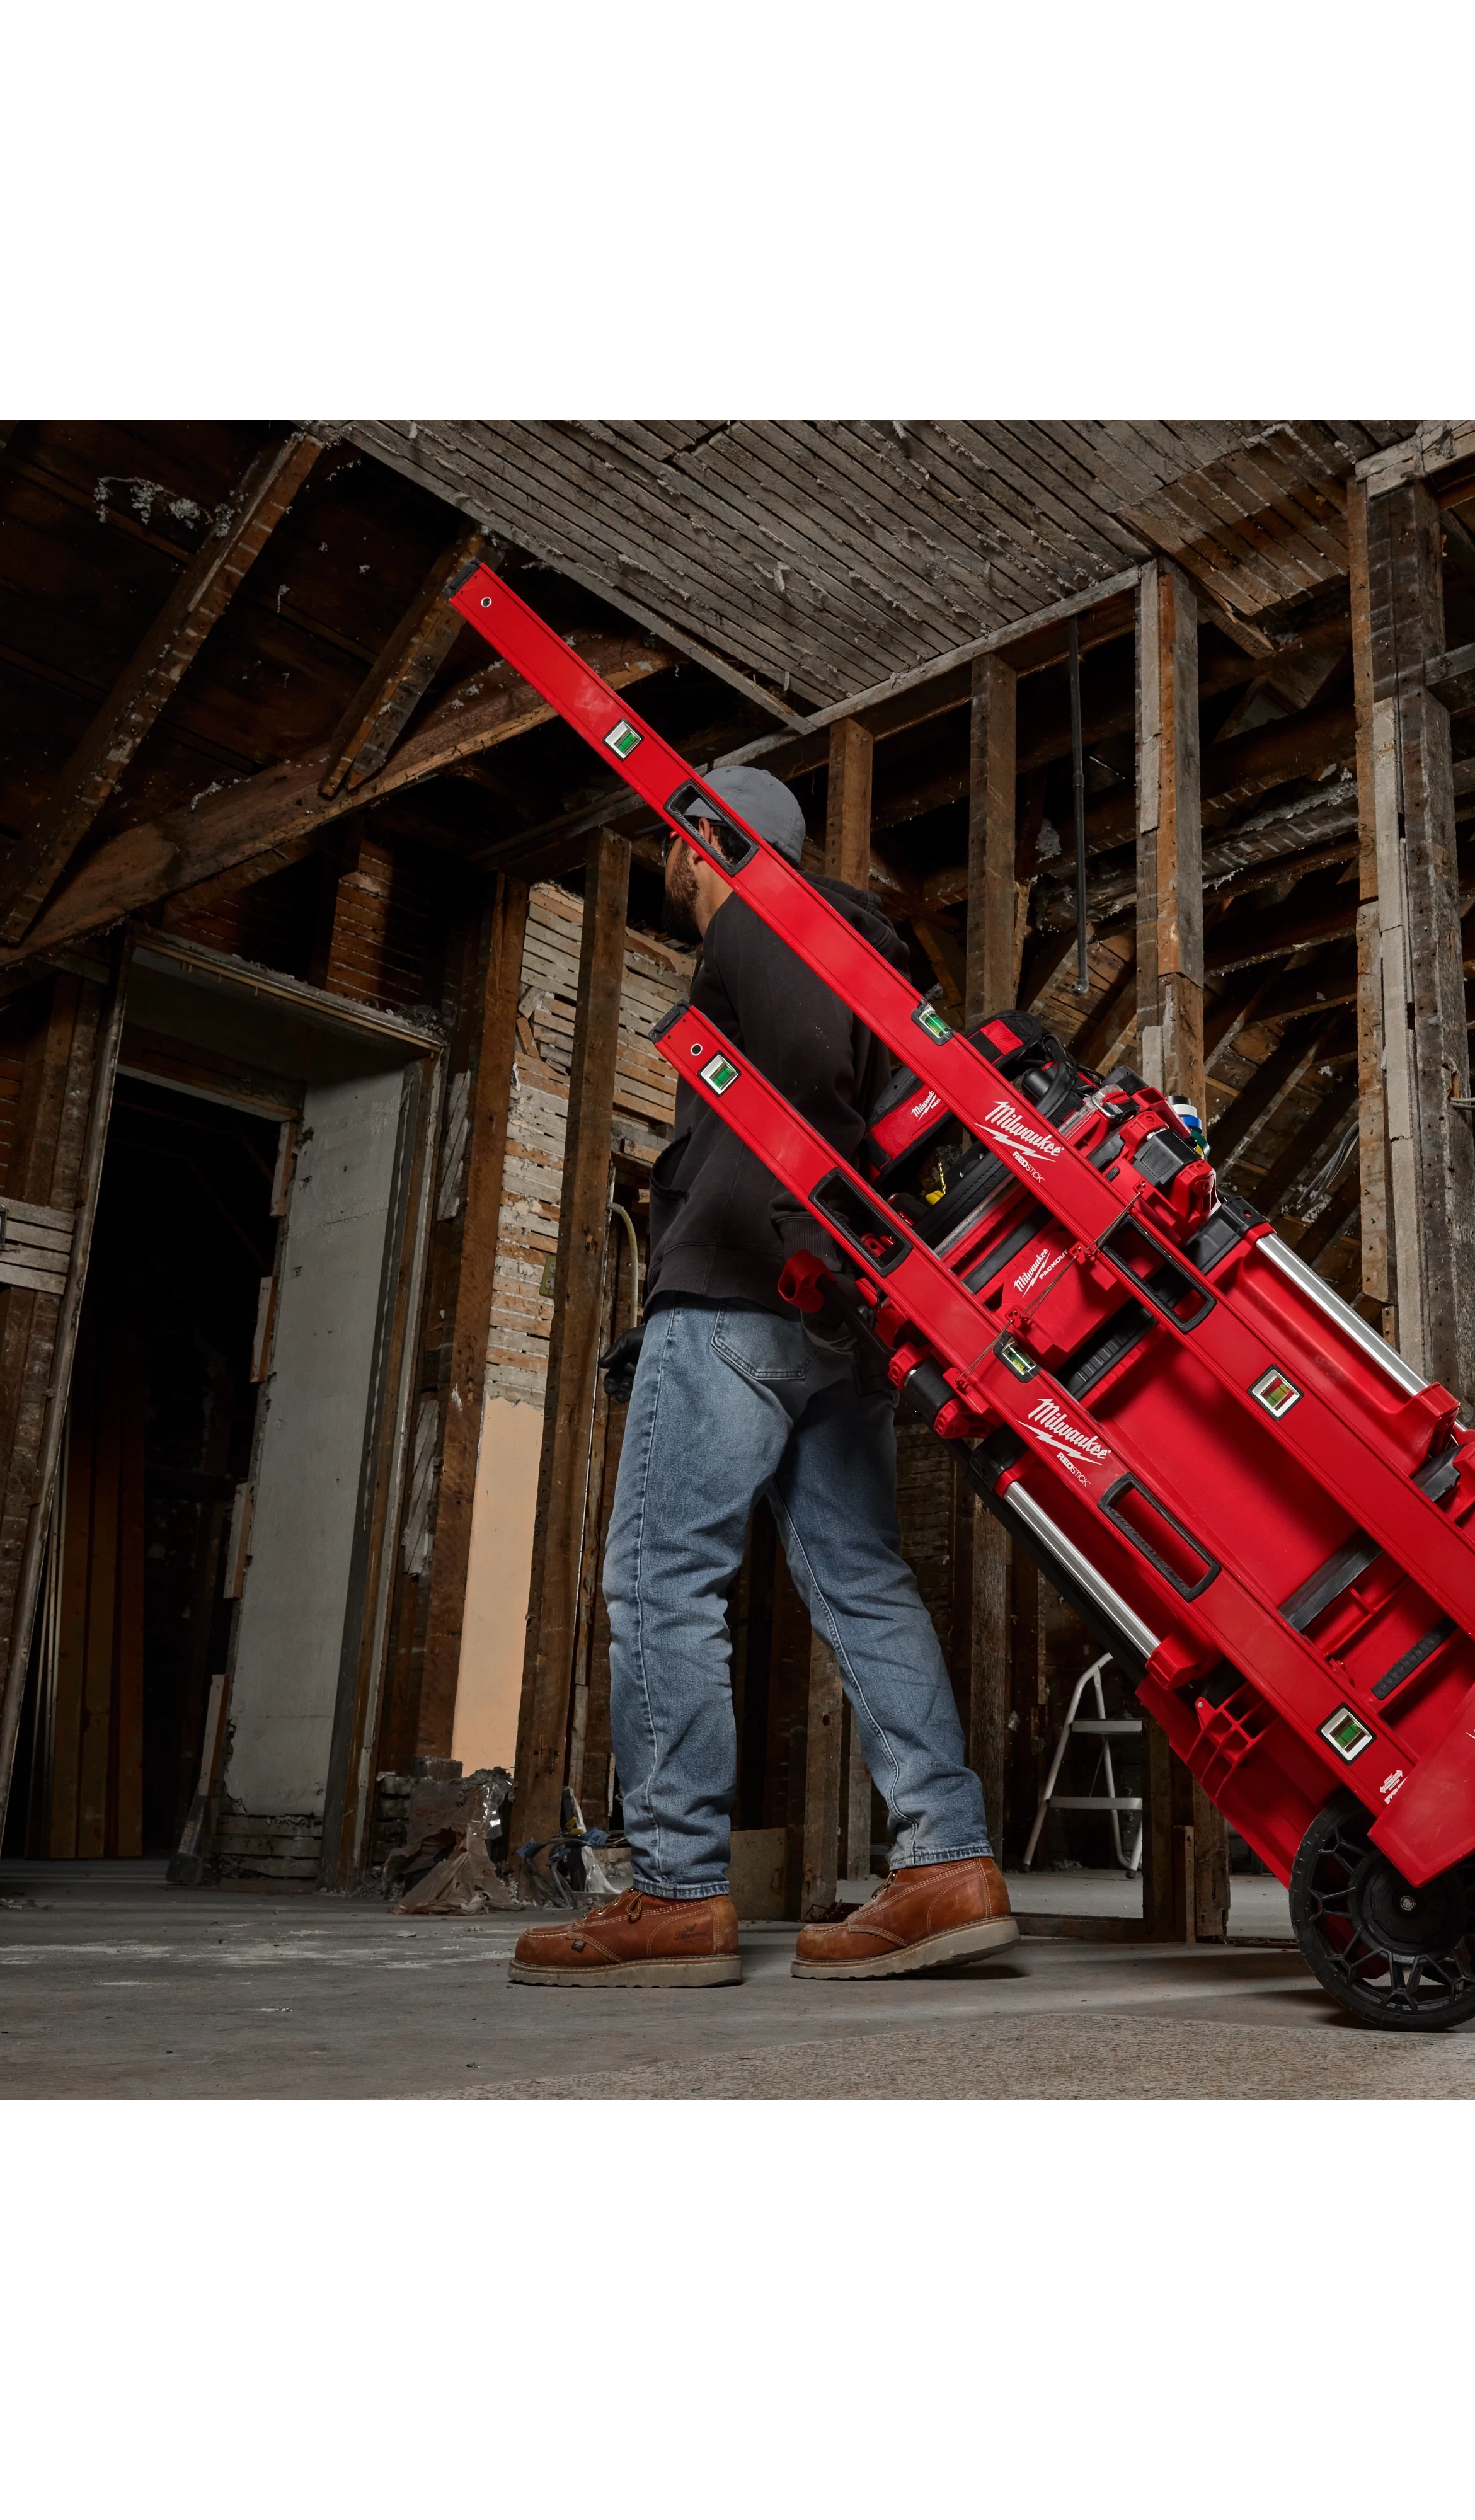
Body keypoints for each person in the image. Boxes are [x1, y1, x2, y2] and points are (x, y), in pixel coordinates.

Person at [510, 766, 1015, 1989]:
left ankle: (677, 1889)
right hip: (831, 1317)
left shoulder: (765, 914)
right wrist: (833, 1269)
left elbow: (798, 1077)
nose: (672, 875)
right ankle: (944, 1855)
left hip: (746, 1295)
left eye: (674, 853)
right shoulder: (861, 941)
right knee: (860, 1576)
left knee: (660, 1579)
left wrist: (798, 1246)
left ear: (703, 845)